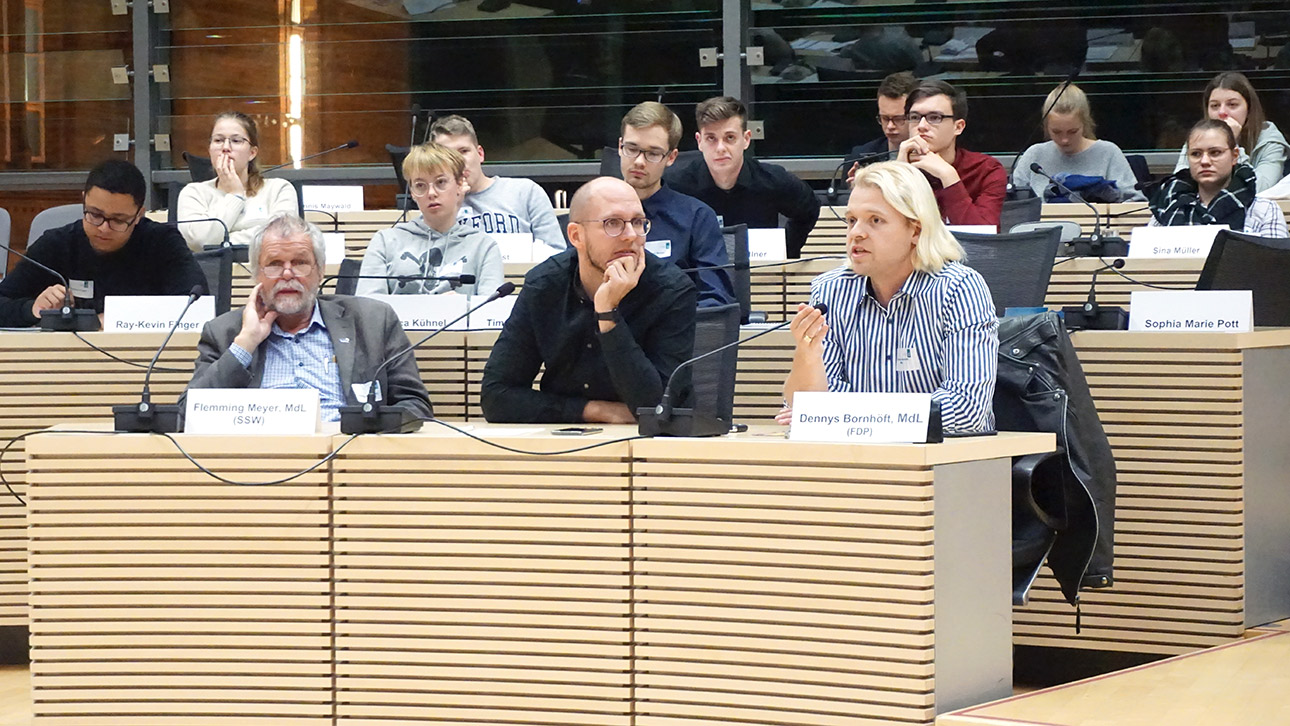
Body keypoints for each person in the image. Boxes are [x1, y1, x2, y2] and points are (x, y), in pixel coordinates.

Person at [779, 161, 997, 434]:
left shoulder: (958, 289)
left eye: (875, 220)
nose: (856, 233)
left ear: (915, 231)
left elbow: (967, 409)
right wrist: (807, 357)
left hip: (945, 463)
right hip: (854, 459)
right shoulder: (830, 292)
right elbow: (804, 409)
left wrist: (851, 416)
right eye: (851, 220)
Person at [480, 177, 697, 424]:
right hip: (563, 443)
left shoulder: (671, 290)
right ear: (576, 236)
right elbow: (496, 396)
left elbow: (656, 408)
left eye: (638, 222)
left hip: (652, 449)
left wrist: (608, 315)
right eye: (613, 223)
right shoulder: (544, 286)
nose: (630, 236)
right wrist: (596, 411)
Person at [188, 213, 433, 423]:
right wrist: (245, 344)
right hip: (258, 463)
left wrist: (365, 432)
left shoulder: (374, 321)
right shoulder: (224, 333)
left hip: (349, 458)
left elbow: (415, 406)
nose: (287, 274)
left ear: (321, 271)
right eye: (274, 264)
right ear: (256, 275)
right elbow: (187, 414)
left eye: (300, 263)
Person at [0, 159, 209, 328]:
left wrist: (114, 319)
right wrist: (31, 308)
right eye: (95, 214)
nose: (103, 228)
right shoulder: (57, 244)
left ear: (138, 216)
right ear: (83, 201)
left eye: (118, 220)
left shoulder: (162, 243)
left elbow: (195, 306)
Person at [665, 96, 820, 258]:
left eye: (729, 138)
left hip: (760, 276)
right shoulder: (676, 186)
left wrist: (786, 251)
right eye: (711, 138)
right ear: (699, 141)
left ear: (746, 140)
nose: (720, 148)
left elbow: (809, 209)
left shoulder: (772, 180)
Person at [618, 101, 734, 307]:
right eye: (632, 149)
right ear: (620, 147)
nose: (639, 161)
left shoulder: (697, 217)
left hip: (674, 333)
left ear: (671, 157)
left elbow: (716, 299)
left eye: (653, 153)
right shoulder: (593, 215)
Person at [358, 142, 504, 296]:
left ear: (460, 184)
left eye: (441, 182)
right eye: (420, 185)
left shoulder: (483, 246)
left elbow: (490, 312)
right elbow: (368, 307)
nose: (431, 193)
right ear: (412, 193)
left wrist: (462, 306)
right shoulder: (385, 241)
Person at [430, 114, 565, 250]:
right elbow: (431, 261)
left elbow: (555, 253)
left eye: (464, 151)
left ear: (480, 154)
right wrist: (452, 206)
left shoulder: (525, 192)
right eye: (448, 155)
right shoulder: (434, 201)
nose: (459, 161)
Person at [176, 111, 299, 252]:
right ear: (210, 149)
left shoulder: (279, 189)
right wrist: (235, 195)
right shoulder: (193, 193)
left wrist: (222, 241)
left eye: (236, 141)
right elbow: (199, 242)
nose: (226, 147)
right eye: (218, 140)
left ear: (252, 152)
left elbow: (280, 237)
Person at [1150, 119, 1288, 238]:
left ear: (1234, 156)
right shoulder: (1168, 206)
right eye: (1196, 154)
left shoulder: (1263, 210)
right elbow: (1145, 264)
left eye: (1215, 153)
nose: (1204, 161)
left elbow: (1276, 266)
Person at [896, 80, 1007, 228]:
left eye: (935, 118)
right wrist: (898, 173)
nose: (921, 126)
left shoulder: (987, 170)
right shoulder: (894, 169)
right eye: (915, 117)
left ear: (958, 127)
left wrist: (949, 176)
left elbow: (982, 239)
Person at [1012, 84, 1145, 202]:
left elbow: (1136, 203)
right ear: (1046, 127)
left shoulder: (1108, 152)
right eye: (1056, 132)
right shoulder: (1033, 156)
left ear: (1085, 124)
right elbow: (1013, 204)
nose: (1064, 140)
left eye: (1072, 131)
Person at [1172, 72, 1288, 193]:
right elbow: (1177, 187)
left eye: (1232, 105)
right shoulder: (1199, 138)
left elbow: (1259, 189)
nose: (1222, 112)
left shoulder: (1270, 140)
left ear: (1248, 109)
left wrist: (1231, 142)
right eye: (1215, 106)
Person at [846, 71, 919, 164]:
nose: (890, 126)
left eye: (898, 119)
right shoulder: (860, 157)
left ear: (915, 117)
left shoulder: (935, 155)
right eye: (885, 118)